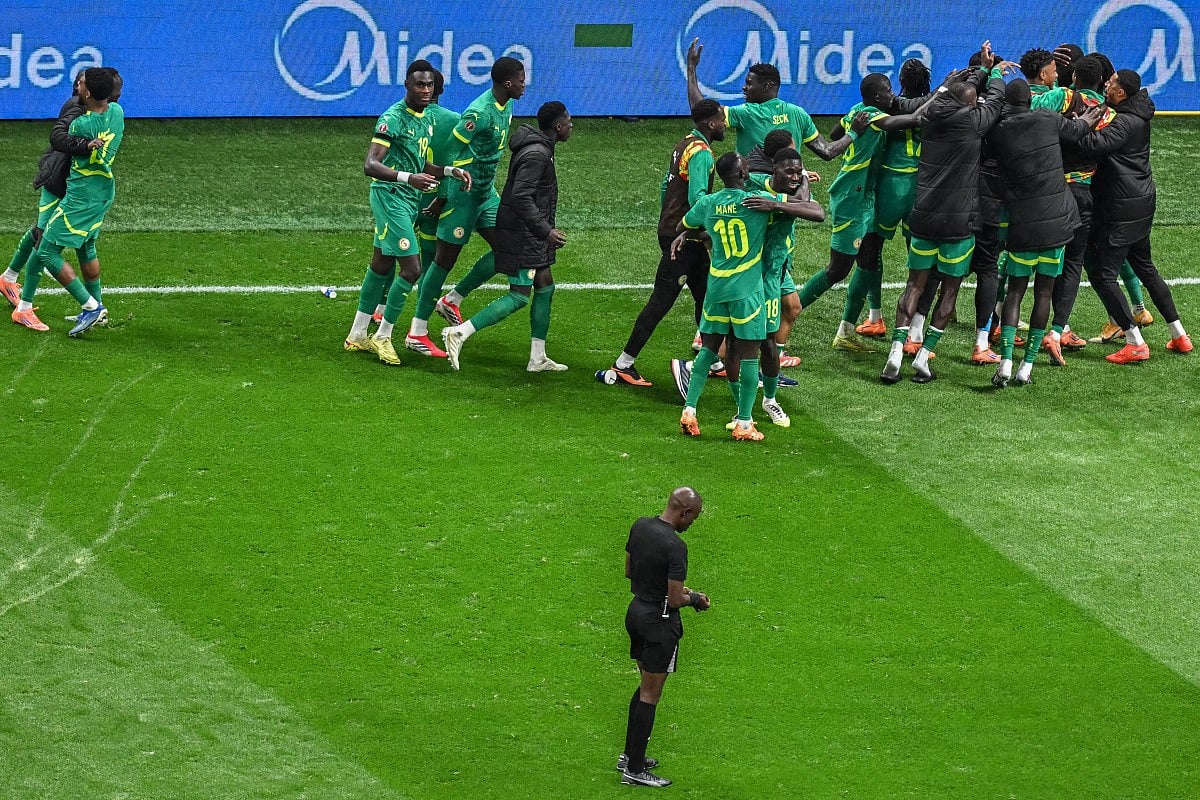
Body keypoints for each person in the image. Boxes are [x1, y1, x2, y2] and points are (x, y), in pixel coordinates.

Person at [881, 46, 1012, 384]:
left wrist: (976, 74)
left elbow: (952, 95)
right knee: (950, 291)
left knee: (914, 285)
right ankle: (923, 358)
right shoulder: (972, 122)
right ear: (970, 105)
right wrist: (994, 73)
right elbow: (995, 101)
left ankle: (895, 351)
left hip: (924, 216)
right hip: (957, 222)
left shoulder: (930, 115)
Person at [341, 60, 471, 365]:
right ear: (407, 86)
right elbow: (370, 165)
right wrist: (408, 178)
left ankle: (357, 334)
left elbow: (419, 162)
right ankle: (383, 336)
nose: (425, 90)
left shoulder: (425, 119)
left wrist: (449, 171)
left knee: (381, 264)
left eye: (429, 85)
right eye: (419, 85)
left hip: (407, 200)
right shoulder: (393, 118)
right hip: (390, 197)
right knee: (412, 269)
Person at [405, 57, 525, 356]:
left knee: (508, 248)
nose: (525, 85)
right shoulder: (478, 113)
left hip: (485, 193)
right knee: (444, 261)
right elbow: (451, 150)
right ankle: (417, 332)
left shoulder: (507, 103)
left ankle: (452, 300)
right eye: (521, 80)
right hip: (462, 195)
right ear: (507, 83)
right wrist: (444, 193)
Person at [441, 102, 573, 370]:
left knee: (545, 285)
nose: (572, 125)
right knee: (519, 295)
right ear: (558, 126)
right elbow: (521, 197)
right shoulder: (537, 155)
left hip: (527, 229)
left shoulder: (540, 149)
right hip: (526, 232)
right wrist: (545, 231)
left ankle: (538, 357)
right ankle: (460, 333)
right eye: (569, 121)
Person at [602, 100, 725, 387]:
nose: (724, 125)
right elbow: (698, 199)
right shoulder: (702, 154)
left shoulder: (684, 143)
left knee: (706, 296)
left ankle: (713, 360)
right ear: (711, 124)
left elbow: (664, 187)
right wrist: (710, 227)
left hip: (674, 231)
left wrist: (668, 220)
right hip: (685, 238)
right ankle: (624, 364)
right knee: (661, 301)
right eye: (721, 120)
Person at [1074, 68, 1192, 361]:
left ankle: (1134, 341)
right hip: (1141, 203)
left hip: (1120, 208)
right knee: (1146, 269)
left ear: (1121, 93)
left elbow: (1092, 144)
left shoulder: (1124, 122)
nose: (1106, 84)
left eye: (1111, 83)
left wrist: (1077, 126)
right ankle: (1179, 335)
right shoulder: (1138, 114)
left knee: (1102, 275)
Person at [985, 79, 1095, 386]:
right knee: (1044, 293)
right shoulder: (1046, 118)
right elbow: (1078, 130)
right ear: (1030, 101)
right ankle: (1027, 367)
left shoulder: (998, 131)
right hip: (1056, 224)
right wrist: (1088, 119)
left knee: (1015, 292)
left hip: (1022, 223)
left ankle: (1006, 361)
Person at [674, 152, 791, 442]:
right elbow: (802, 208)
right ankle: (745, 423)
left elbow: (682, 226)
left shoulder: (708, 202)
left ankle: (689, 410)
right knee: (750, 355)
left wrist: (697, 235)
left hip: (716, 287)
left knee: (708, 349)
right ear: (742, 174)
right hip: (746, 291)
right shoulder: (755, 202)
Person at [3, 68, 119, 323]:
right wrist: (84, 145)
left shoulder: (107, 112)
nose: (118, 94)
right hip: (59, 183)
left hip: (75, 188)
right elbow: (57, 136)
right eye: (116, 89)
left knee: (74, 241)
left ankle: (9, 278)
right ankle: (23, 307)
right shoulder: (76, 110)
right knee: (42, 239)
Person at [619, 486, 708, 789]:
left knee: (644, 685)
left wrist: (670, 588)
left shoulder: (640, 526)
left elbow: (630, 571)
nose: (692, 524)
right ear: (685, 512)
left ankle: (630, 756)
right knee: (650, 695)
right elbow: (675, 599)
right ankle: (634, 770)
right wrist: (695, 598)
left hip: (636, 613)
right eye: (693, 518)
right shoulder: (675, 546)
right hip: (660, 623)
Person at [847, 58, 932, 341]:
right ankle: (914, 330)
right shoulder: (934, 107)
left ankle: (875, 317)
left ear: (900, 83)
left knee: (872, 248)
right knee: (918, 258)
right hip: (920, 186)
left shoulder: (888, 107)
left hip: (890, 185)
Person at [686, 38, 862, 163]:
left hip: (754, 196)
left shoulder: (747, 113)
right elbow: (827, 151)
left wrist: (691, 69)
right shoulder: (798, 113)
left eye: (749, 83)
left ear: (766, 86)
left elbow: (702, 111)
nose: (744, 87)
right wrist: (853, 132)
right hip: (788, 197)